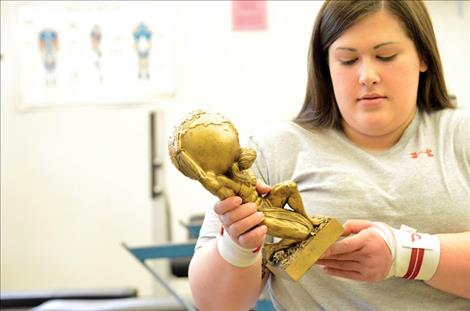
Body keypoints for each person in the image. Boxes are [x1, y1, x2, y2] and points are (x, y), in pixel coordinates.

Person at [188, 1, 470, 310]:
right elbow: (215, 305)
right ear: (326, 66)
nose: (367, 75)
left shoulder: (461, 136)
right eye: (348, 60)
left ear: (423, 57)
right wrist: (238, 247)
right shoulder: (271, 152)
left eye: (385, 56)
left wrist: (409, 256)